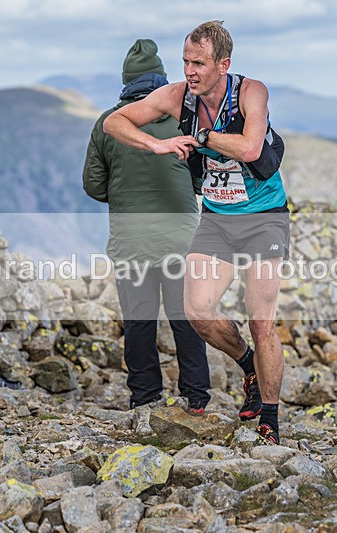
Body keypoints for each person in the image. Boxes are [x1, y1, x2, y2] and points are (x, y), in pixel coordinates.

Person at [103, 21, 289, 444]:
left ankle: (270, 422)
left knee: (261, 324)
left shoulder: (250, 91)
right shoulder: (175, 97)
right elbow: (114, 123)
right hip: (218, 220)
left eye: (199, 63)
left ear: (223, 64)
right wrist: (158, 144)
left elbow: (251, 149)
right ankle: (248, 370)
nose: (189, 71)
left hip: (264, 218)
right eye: (186, 61)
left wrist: (200, 135)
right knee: (198, 312)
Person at [83, 38, 211, 415]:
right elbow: (200, 179)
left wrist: (125, 196)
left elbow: (93, 185)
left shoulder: (110, 123)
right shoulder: (183, 119)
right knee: (185, 319)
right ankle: (196, 399)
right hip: (181, 240)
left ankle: (144, 398)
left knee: (139, 322)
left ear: (126, 82)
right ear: (162, 81)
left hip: (130, 242)